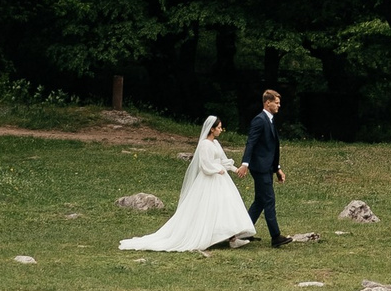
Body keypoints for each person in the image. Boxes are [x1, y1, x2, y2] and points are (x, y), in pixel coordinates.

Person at [117, 116, 256, 253]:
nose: (221, 130)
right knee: (207, 207)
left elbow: (223, 160)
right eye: (219, 127)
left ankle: (232, 238)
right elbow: (205, 165)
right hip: (210, 179)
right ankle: (208, 236)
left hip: (221, 179)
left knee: (225, 205)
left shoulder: (215, 143)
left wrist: (235, 169)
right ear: (212, 129)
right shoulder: (204, 144)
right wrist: (216, 170)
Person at [240, 87, 287, 245]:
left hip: (267, 167)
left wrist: (277, 168)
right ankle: (276, 236)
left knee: (260, 200)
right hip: (260, 168)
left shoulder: (270, 120)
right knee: (269, 199)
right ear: (267, 103)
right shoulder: (260, 120)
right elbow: (251, 143)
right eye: (276, 103)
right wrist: (245, 163)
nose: (279, 105)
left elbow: (270, 148)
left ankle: (244, 233)